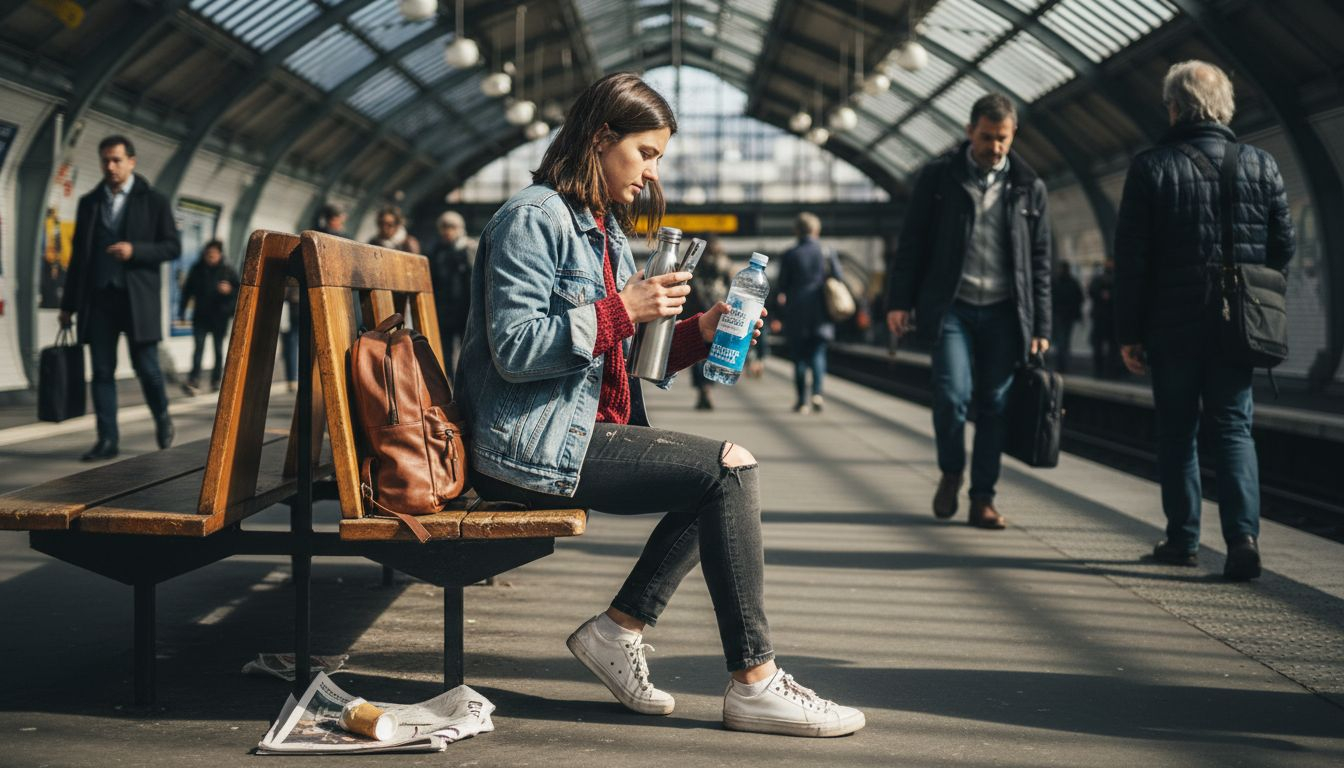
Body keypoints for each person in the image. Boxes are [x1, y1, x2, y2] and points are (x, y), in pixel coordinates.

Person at [455, 72, 864, 737]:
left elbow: (618, 357)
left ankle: (619, 632)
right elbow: (516, 348)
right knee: (729, 470)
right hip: (526, 445)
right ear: (599, 139)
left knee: (717, 476)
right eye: (644, 153)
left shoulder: (602, 229)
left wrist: (699, 333)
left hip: (574, 430)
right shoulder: (533, 218)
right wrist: (623, 309)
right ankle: (752, 682)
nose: (650, 174)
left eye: (657, 160)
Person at [1113, 60, 1294, 581]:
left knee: (1177, 432)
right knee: (1235, 428)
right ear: (1225, 106)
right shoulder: (1261, 164)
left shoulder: (1150, 167)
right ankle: (1243, 540)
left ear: (1173, 108)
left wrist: (1129, 333)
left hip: (1172, 327)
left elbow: (1133, 262)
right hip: (1239, 326)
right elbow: (1283, 246)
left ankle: (1182, 540)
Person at [885, 93, 1052, 530]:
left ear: (1012, 135)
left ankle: (983, 498)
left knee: (996, 405)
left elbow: (1040, 262)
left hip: (1005, 310)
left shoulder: (1028, 186)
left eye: (1003, 139)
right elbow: (913, 245)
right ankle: (952, 469)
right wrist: (899, 302)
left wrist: (1042, 325)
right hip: (952, 308)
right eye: (987, 137)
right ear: (969, 131)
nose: (995, 147)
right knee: (952, 396)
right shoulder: (938, 179)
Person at [58, 135, 180, 461]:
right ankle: (108, 439)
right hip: (98, 300)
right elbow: (78, 260)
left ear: (131, 161)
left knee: (148, 369)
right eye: (105, 161)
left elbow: (172, 246)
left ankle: (162, 415)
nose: (110, 167)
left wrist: (135, 250)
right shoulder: (90, 202)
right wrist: (68, 306)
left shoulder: (154, 200)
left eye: (116, 160)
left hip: (138, 301)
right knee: (101, 372)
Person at [776, 212, 839, 414]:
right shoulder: (826, 252)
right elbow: (838, 277)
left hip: (797, 311)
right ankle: (817, 393)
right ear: (816, 230)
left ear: (797, 231)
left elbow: (782, 285)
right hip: (821, 311)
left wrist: (779, 311)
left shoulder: (790, 254)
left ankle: (802, 401)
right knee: (818, 353)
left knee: (800, 358)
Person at [283, 203, 346, 392]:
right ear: (334, 219)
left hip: (298, 297)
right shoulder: (336, 239)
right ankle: (322, 377)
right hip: (324, 297)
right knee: (322, 336)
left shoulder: (307, 235)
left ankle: (294, 378)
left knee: (296, 338)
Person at [178, 239, 240, 395]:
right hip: (201, 316)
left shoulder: (228, 270)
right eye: (208, 254)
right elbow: (187, 291)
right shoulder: (197, 269)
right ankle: (194, 380)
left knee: (218, 349)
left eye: (213, 254)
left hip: (220, 316)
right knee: (198, 348)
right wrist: (182, 311)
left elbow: (240, 291)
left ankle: (216, 380)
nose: (210, 257)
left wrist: (229, 290)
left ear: (220, 254)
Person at [427, 210, 477, 373]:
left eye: (452, 227)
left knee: (467, 348)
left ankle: (466, 381)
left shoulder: (469, 249)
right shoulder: (436, 251)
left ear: (460, 228)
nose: (448, 231)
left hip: (465, 308)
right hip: (444, 308)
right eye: (444, 227)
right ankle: (447, 383)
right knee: (444, 349)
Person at [686, 236, 731, 409]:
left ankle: (702, 389)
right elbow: (730, 285)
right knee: (712, 352)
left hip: (697, 311)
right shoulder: (723, 263)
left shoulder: (697, 262)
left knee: (696, 352)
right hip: (718, 310)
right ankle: (708, 387)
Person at [1088, 260, 1119, 378]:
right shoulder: (1113, 279)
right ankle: (1104, 371)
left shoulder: (1099, 279)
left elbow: (1091, 291)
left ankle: (1104, 371)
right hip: (1106, 317)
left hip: (1105, 317)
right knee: (1106, 346)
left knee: (1106, 346)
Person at [1051, 261, 1084, 373]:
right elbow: (1079, 298)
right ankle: (1063, 364)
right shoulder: (1072, 282)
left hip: (1060, 315)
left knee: (1061, 340)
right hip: (1067, 315)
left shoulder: (1056, 282)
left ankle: (1061, 364)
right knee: (1064, 340)